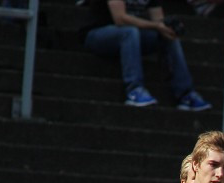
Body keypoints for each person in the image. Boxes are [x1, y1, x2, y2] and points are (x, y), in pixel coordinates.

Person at [81, 0, 211, 110]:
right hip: (97, 35)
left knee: (167, 35)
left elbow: (158, 20)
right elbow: (120, 18)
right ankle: (134, 89)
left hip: (130, 36)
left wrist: (168, 26)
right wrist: (156, 25)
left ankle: (185, 93)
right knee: (130, 32)